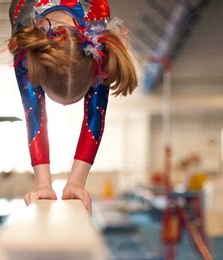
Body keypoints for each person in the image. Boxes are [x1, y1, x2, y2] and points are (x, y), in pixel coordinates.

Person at [9, 0, 137, 212]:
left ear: (93, 72)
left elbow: (96, 114)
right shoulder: (26, 38)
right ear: (38, 73)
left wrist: (76, 182)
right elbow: (33, 110)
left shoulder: (97, 36)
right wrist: (42, 183)